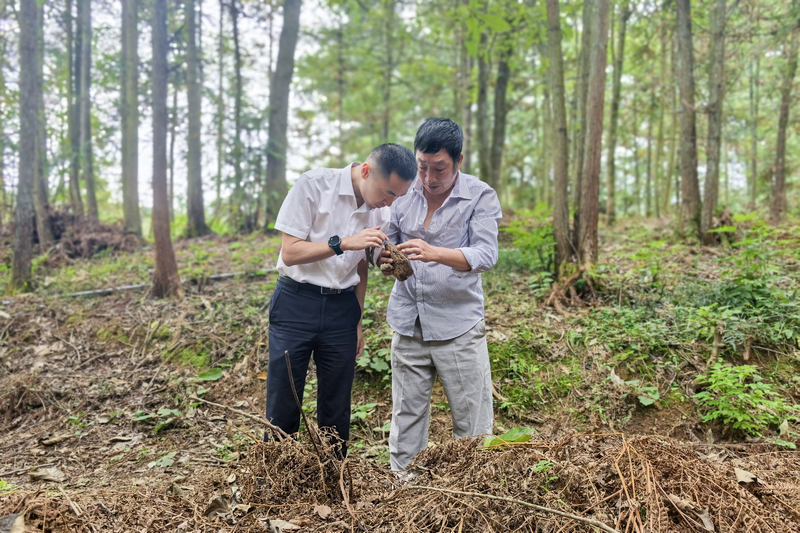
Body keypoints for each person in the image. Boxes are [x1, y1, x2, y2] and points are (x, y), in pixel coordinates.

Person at [266, 143, 417, 455]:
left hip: (342, 310)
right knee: (283, 400)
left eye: (398, 197)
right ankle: (274, 477)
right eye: (388, 192)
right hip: (295, 303)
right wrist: (343, 243)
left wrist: (357, 319)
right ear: (366, 171)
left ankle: (334, 475)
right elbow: (290, 252)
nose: (390, 202)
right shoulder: (313, 185)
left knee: (337, 406)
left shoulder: (381, 210)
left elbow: (361, 263)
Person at [379, 118, 502, 473]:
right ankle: (403, 490)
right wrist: (383, 258)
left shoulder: (479, 195)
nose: (429, 177)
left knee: (473, 421)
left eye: (439, 168)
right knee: (406, 418)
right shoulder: (403, 193)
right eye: (422, 167)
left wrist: (434, 253)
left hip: (458, 325)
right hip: (408, 323)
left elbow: (486, 254)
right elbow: (382, 240)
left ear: (458, 161)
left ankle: (472, 491)